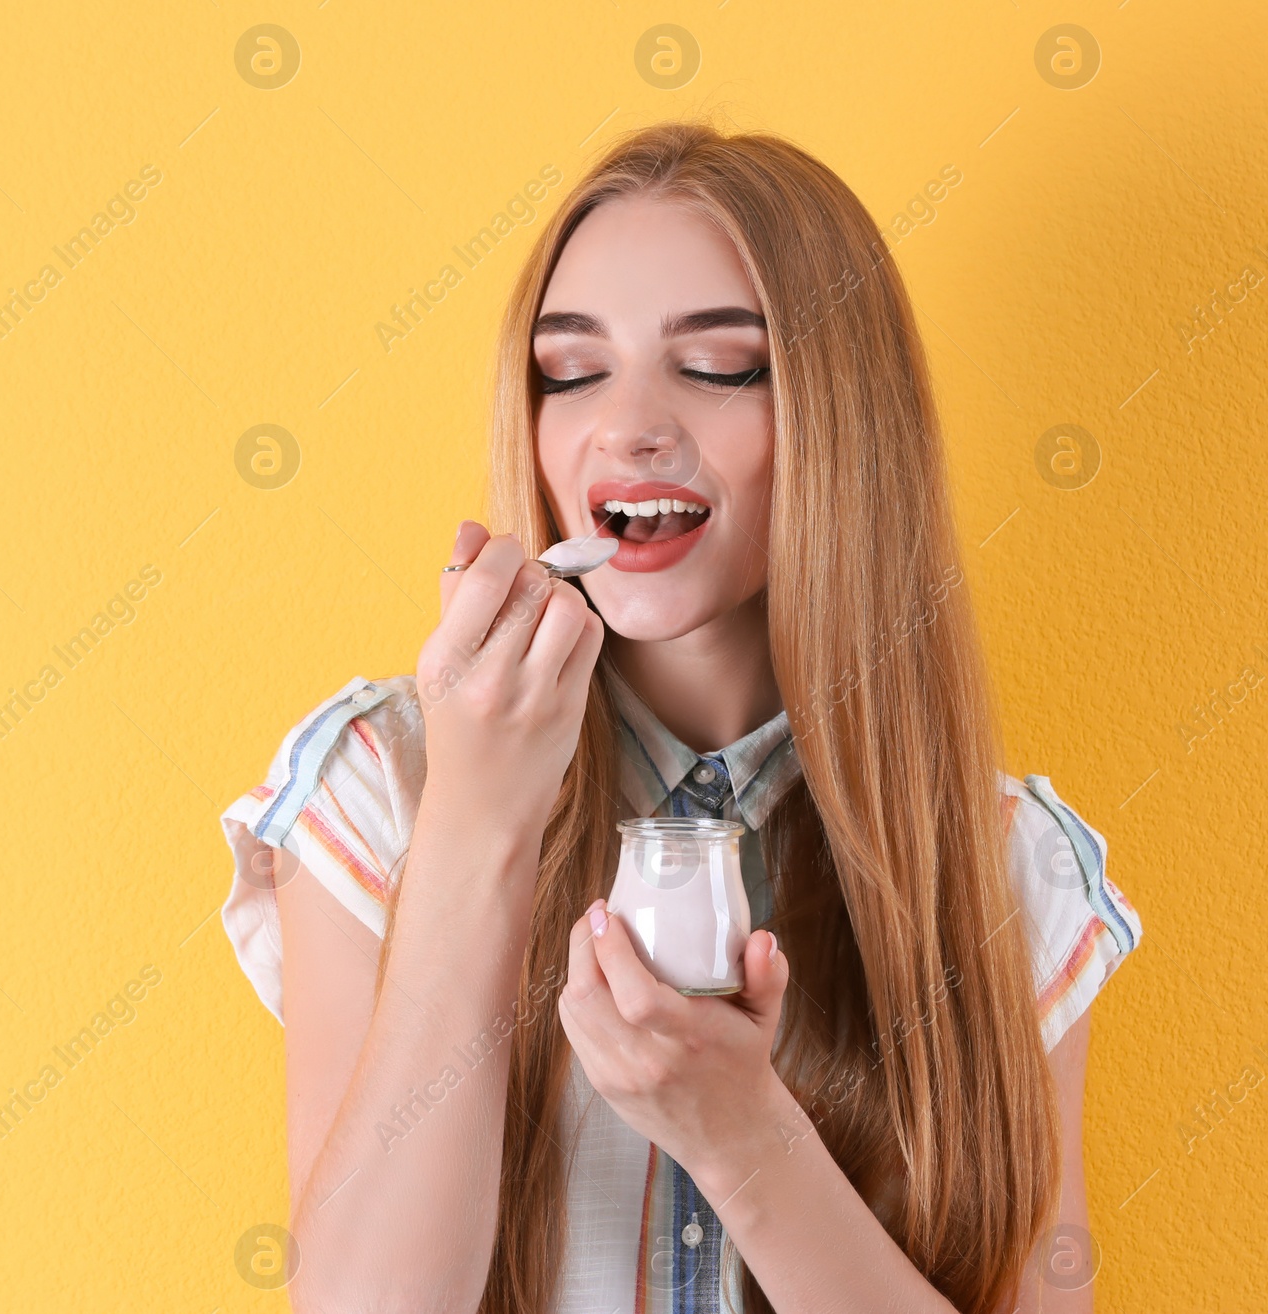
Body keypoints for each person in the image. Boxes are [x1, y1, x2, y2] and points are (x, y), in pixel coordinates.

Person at [217, 121, 1142, 1314]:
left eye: (716, 367)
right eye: (570, 371)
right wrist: (479, 821)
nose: (627, 426)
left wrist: (747, 1141)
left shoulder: (1008, 866)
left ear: (844, 418)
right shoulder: (388, 785)